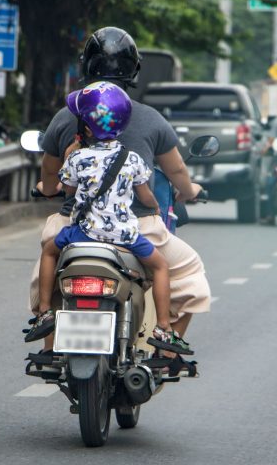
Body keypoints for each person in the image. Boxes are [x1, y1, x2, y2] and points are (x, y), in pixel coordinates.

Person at [28, 27, 209, 376]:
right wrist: (185, 194)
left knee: (45, 263)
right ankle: (167, 346)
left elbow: (53, 182)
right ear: (134, 70)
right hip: (133, 229)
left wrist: (51, 185)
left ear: (86, 67)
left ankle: (48, 338)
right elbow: (176, 175)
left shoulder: (66, 117)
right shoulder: (150, 121)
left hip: (76, 225)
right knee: (189, 273)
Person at [25, 82, 191, 355]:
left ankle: (44, 311)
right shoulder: (133, 159)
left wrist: (70, 155)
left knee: (49, 250)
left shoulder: (78, 158)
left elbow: (68, 191)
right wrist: (157, 209)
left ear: (87, 129)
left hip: (83, 233)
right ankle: (163, 328)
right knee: (161, 267)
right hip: (125, 236)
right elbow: (145, 195)